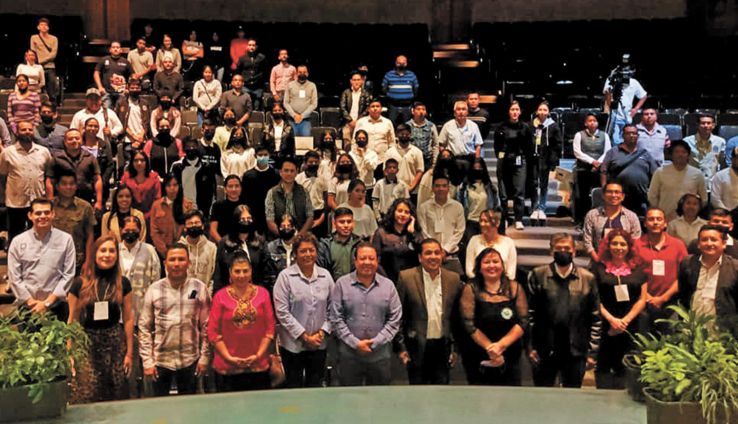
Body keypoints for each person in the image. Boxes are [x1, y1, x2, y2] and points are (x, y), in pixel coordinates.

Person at [526, 233, 602, 388]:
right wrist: (530, 346)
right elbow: (530, 315)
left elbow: (595, 318)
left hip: (576, 349)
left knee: (572, 394)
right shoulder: (538, 275)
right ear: (551, 251)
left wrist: (592, 352)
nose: (563, 251)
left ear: (574, 251)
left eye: (567, 248)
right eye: (558, 248)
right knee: (542, 394)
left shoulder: (587, 278)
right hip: (544, 348)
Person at [68, 235, 134, 403]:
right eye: (103, 250)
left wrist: (129, 353)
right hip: (87, 343)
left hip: (115, 344)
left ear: (117, 255)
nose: (107, 255)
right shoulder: (79, 284)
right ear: (95, 254)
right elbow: (72, 321)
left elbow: (128, 318)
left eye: (112, 251)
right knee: (88, 393)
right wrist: (70, 353)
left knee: (117, 393)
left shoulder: (123, 283)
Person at [139, 244, 210, 396]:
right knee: (160, 407)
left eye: (181, 259)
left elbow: (207, 326)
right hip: (160, 361)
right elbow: (144, 327)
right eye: (172, 259)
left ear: (189, 263)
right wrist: (147, 361)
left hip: (190, 360)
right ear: (165, 263)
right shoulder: (154, 289)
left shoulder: (199, 288)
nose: (176, 264)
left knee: (189, 407)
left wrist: (204, 357)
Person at [329, 243, 402, 386]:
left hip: (380, 356)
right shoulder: (342, 284)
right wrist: (355, 343)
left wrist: (376, 342)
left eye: (371, 258)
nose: (367, 262)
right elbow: (336, 318)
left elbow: (395, 319)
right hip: (349, 355)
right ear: (355, 261)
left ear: (377, 261)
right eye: (362, 258)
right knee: (349, 396)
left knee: (379, 397)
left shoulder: (388, 286)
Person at [396, 238, 463, 384]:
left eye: (437, 253)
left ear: (442, 255)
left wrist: (455, 349)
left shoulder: (453, 279)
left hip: (443, 347)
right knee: (418, 392)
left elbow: (457, 318)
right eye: (428, 253)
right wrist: (401, 347)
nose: (433, 257)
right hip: (416, 347)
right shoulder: (406, 278)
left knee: (441, 391)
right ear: (420, 257)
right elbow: (399, 316)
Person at [272, 233, 334, 388]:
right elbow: (282, 312)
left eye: (311, 250)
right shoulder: (285, 277)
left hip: (319, 344)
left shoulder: (325, 276)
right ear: (295, 254)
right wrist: (305, 337)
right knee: (294, 388)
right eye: (303, 251)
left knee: (315, 387)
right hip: (292, 346)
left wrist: (321, 333)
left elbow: (334, 308)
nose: (308, 254)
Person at [460, 247, 528, 385]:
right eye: (487, 262)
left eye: (496, 261)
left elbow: (523, 320)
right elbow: (468, 323)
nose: (492, 265)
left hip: (510, 353)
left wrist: (500, 346)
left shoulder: (515, 288)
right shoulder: (470, 288)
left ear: (502, 266)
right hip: (479, 352)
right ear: (479, 268)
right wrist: (491, 349)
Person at [208, 250, 274, 392]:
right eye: (237, 271)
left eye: (245, 271)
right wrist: (229, 358)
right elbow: (213, 332)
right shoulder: (220, 296)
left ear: (251, 272)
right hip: (227, 366)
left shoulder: (263, 294)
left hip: (258, 364)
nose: (241, 275)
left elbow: (270, 330)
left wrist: (258, 356)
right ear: (230, 273)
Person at [592, 229, 647, 389]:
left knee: (626, 367)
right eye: (614, 243)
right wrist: (612, 320)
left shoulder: (638, 270)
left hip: (631, 325)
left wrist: (624, 321)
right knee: (603, 366)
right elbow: (594, 299)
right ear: (608, 246)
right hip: (605, 325)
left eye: (623, 244)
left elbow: (642, 299)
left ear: (629, 247)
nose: (618, 247)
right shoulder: (598, 269)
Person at [7, 198, 75, 322]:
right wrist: (31, 302)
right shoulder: (18, 242)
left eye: (47, 212)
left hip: (56, 307)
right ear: (30, 215)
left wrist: (47, 303)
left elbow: (68, 274)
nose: (43, 216)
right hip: (27, 308)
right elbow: (14, 277)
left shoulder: (66, 239)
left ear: (53, 214)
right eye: (38, 213)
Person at [633, 208, 688, 332]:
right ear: (645, 223)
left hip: (671, 302)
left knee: (671, 339)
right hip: (642, 303)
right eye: (651, 219)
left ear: (665, 223)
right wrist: (647, 297)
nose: (655, 222)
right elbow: (632, 275)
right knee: (643, 340)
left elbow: (683, 275)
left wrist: (663, 298)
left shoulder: (678, 245)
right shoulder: (636, 245)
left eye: (659, 219)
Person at [678, 225, 738, 334]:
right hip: (692, 331)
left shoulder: (735, 268)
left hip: (723, 333)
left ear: (723, 243)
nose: (709, 243)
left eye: (714, 240)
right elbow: (683, 295)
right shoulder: (688, 263)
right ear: (698, 244)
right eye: (704, 240)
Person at [0, 120, 53, 241]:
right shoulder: (7, 153)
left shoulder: (44, 152)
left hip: (38, 200)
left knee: (38, 234)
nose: (27, 132)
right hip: (15, 202)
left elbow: (48, 176)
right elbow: (3, 176)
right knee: (15, 235)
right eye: (23, 129)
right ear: (17, 132)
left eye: (30, 129)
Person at [600, 124, 658, 216]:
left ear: (638, 136)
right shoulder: (613, 152)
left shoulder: (644, 153)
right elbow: (604, 171)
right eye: (628, 133)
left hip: (640, 197)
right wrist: (604, 189)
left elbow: (655, 173)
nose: (631, 135)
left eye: (634, 133)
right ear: (623, 135)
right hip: (618, 197)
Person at [493, 101, 534, 230]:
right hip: (504, 159)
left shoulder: (525, 127)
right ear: (508, 111)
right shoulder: (501, 127)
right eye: (512, 109)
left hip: (519, 160)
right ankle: (504, 219)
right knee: (503, 194)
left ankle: (518, 219)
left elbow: (529, 146)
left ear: (520, 112)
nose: (515, 112)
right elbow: (497, 146)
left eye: (517, 109)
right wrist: (501, 158)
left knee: (519, 192)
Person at [46, 128, 103, 214]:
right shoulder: (56, 158)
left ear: (82, 140)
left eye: (77, 138)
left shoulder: (90, 158)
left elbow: (97, 180)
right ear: (65, 142)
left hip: (85, 200)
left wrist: (99, 201)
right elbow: (49, 181)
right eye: (70, 139)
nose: (74, 141)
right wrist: (50, 202)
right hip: (61, 202)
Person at [418, 174, 466, 275]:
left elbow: (460, 230)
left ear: (448, 188)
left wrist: (445, 250)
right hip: (430, 255)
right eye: (437, 186)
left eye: (444, 186)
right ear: (432, 188)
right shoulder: (424, 207)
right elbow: (423, 230)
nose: (441, 189)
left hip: (451, 254)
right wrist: (436, 250)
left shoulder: (457, 207)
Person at [647, 140, 707, 220]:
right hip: (665, 219)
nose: (680, 155)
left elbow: (704, 199)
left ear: (688, 155)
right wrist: (659, 214)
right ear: (671, 154)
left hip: (688, 221)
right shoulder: (660, 172)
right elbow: (652, 196)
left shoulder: (697, 174)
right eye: (677, 152)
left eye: (683, 152)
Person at [583, 181, 641, 262]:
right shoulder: (592, 215)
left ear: (623, 196)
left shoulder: (631, 217)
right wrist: (597, 260)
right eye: (609, 192)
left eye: (617, 192)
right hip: (598, 261)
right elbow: (587, 241)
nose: (613, 195)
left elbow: (635, 241)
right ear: (603, 195)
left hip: (624, 263)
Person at [212, 205, 265, 294]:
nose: (246, 221)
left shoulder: (260, 242)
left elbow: (265, 273)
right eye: (242, 219)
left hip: (256, 292)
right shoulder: (224, 243)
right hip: (229, 292)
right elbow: (218, 274)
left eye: (249, 218)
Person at [52, 171, 96, 276]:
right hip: (53, 260)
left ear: (76, 186)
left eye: (72, 184)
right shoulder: (49, 206)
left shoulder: (85, 207)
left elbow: (90, 236)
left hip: (77, 261)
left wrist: (88, 262)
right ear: (57, 186)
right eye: (64, 184)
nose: (68, 187)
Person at [572, 113, 612, 225]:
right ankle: (581, 220)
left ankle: (598, 219)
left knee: (598, 194)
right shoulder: (579, 135)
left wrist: (598, 163)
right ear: (586, 123)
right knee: (582, 195)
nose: (592, 123)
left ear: (597, 123)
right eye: (590, 121)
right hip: (583, 169)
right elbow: (577, 152)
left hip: (599, 170)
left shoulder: (604, 135)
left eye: (594, 120)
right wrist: (592, 161)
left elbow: (608, 151)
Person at [372, 199, 423, 282]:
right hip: (387, 279)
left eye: (406, 212)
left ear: (411, 216)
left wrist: (412, 233)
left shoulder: (415, 234)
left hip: (410, 280)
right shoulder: (381, 233)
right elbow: (376, 260)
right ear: (393, 212)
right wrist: (386, 281)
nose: (403, 215)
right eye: (400, 211)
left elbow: (422, 252)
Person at [528, 101, 562, 222]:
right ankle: (534, 207)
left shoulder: (553, 126)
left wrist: (554, 160)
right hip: (533, 158)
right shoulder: (531, 125)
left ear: (548, 112)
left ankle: (542, 207)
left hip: (546, 159)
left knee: (543, 184)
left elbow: (557, 144)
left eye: (545, 110)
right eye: (540, 109)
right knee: (533, 183)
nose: (542, 112)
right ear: (537, 111)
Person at [265, 156, 314, 238]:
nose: (289, 174)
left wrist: (299, 236)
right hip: (279, 237)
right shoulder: (272, 193)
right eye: (286, 170)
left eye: (292, 171)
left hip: (300, 237)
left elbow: (310, 217)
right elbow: (270, 220)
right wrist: (285, 237)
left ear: (297, 172)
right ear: (280, 172)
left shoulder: (304, 192)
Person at [170, 137, 217, 217]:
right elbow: (172, 189)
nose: (191, 149)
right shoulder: (177, 167)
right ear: (184, 149)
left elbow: (212, 191)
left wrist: (208, 211)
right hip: (182, 211)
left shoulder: (206, 167)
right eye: (188, 147)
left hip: (201, 212)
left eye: (194, 146)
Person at [465, 209, 517, 280]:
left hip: (503, 284)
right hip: (478, 283)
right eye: (481, 221)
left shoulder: (509, 243)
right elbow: (469, 270)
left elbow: (511, 273)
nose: (482, 224)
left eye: (486, 221)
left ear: (497, 223)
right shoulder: (474, 240)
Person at [241, 145, 280, 235]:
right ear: (255, 156)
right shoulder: (248, 175)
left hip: (271, 214)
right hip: (254, 214)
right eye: (260, 155)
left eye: (265, 155)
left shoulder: (275, 174)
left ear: (269, 155)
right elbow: (244, 197)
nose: (263, 157)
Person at [115, 79, 151, 174]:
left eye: (137, 87)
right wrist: (134, 137)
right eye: (132, 87)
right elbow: (120, 122)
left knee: (144, 166)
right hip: (128, 140)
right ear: (128, 88)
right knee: (129, 166)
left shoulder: (145, 103)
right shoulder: (121, 103)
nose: (135, 89)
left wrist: (140, 137)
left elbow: (147, 122)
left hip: (142, 139)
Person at [603, 70, 647, 146]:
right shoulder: (612, 80)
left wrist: (636, 109)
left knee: (627, 141)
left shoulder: (634, 82)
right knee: (615, 142)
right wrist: (613, 83)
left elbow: (643, 96)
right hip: (614, 117)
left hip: (627, 118)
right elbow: (607, 98)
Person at [317, 207, 363, 280]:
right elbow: (320, 271)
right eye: (342, 222)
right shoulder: (325, 245)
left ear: (353, 223)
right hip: (332, 285)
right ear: (334, 223)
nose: (346, 225)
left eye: (349, 222)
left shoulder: (359, 244)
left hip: (355, 284)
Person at [458, 158, 498, 240]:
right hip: (470, 222)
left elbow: (496, 205)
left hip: (486, 222)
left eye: (480, 168)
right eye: (475, 168)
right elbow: (459, 205)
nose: (477, 170)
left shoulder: (490, 187)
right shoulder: (464, 188)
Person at [178, 209, 217, 292]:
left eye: (197, 223)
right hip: (182, 294)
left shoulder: (212, 248)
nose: (194, 226)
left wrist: (208, 294)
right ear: (185, 228)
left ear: (202, 226)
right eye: (190, 223)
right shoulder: (178, 248)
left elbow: (214, 276)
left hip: (204, 295)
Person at [438, 100, 483, 167]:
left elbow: (478, 145)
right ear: (454, 113)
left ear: (467, 112)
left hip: (469, 159)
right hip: (453, 159)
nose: (461, 112)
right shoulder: (447, 125)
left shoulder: (474, 126)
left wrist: (477, 161)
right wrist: (444, 151)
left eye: (463, 109)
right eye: (458, 109)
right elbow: (441, 144)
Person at [384, 123, 424, 197]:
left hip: (413, 191)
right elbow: (386, 171)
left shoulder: (417, 152)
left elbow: (420, 171)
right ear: (397, 135)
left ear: (410, 135)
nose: (404, 136)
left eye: (407, 134)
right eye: (402, 134)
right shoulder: (389, 152)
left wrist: (411, 187)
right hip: (393, 190)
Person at [295, 150, 329, 238]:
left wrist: (321, 218)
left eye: (316, 162)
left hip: (319, 214)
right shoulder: (298, 179)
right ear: (305, 163)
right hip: (303, 215)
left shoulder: (323, 179)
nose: (313, 164)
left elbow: (326, 199)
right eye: (310, 162)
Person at [80, 117, 115, 201]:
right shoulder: (79, 145)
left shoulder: (104, 144)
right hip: (81, 188)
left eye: (96, 126)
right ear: (85, 127)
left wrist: (102, 182)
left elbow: (110, 165)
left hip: (100, 187)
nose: (93, 128)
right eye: (90, 126)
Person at [149, 175, 184, 258]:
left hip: (181, 250)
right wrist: (164, 251)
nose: (172, 188)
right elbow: (154, 232)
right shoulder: (156, 205)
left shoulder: (187, 205)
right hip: (162, 252)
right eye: (168, 185)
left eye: (175, 185)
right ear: (164, 187)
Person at [121, 150, 162, 219]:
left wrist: (146, 216)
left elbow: (157, 200)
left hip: (150, 216)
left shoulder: (154, 178)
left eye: (142, 160)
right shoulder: (126, 177)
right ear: (132, 162)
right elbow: (122, 198)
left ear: (146, 162)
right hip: (129, 216)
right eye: (136, 160)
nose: (139, 163)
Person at [685, 113, 726, 181]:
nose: (706, 126)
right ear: (697, 125)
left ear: (713, 125)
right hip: (692, 181)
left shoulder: (720, 142)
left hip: (712, 181)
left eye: (709, 123)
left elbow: (721, 161)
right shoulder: (687, 142)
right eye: (703, 123)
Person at [263, 214, 298, 291]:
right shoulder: (271, 248)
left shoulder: (300, 247)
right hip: (278, 290)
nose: (286, 228)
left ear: (294, 228)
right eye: (283, 226)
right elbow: (268, 276)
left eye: (289, 226)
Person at [94, 41, 131, 109]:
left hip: (121, 93)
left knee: (121, 113)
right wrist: (100, 87)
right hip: (106, 92)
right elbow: (96, 73)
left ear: (121, 50)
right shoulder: (104, 60)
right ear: (110, 49)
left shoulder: (125, 62)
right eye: (113, 47)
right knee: (106, 112)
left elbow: (132, 76)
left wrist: (128, 88)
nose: (115, 49)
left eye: (117, 47)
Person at [382, 55, 418, 124]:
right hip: (393, 105)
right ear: (395, 63)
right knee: (391, 125)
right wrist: (392, 96)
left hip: (407, 106)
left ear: (406, 63)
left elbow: (416, 89)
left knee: (408, 126)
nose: (401, 64)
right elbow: (384, 89)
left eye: (403, 63)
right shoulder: (389, 75)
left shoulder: (412, 75)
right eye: (399, 63)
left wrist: (409, 97)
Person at [283, 65, 318, 137]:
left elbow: (314, 104)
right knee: (291, 140)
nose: (302, 74)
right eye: (300, 72)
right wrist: (294, 115)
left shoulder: (312, 86)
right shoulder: (290, 85)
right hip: (291, 119)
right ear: (296, 74)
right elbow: (285, 103)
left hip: (305, 120)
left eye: (304, 72)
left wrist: (302, 116)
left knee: (306, 139)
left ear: (307, 74)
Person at [30, 17, 59, 103]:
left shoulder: (54, 39)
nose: (43, 27)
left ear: (48, 27)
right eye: (41, 25)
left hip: (50, 66)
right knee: (39, 88)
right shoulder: (34, 37)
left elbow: (53, 54)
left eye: (45, 25)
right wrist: (36, 62)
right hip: (37, 67)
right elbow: (33, 51)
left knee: (52, 87)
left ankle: (52, 104)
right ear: (38, 27)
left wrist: (41, 61)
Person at [235, 38, 267, 110]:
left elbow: (265, 71)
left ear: (256, 47)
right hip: (245, 86)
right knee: (245, 107)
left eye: (253, 45)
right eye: (249, 45)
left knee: (256, 108)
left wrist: (261, 80)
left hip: (258, 86)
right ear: (247, 46)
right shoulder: (242, 58)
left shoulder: (262, 58)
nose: (251, 47)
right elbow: (238, 72)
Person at [340, 72, 372, 142]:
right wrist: (350, 120)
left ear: (361, 81)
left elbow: (367, 108)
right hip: (348, 122)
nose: (356, 82)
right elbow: (342, 108)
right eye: (354, 80)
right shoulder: (346, 92)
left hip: (361, 123)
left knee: (361, 141)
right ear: (351, 81)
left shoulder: (366, 93)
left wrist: (358, 121)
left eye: (358, 80)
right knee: (347, 140)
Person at [209, 175, 242, 242]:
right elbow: (213, 230)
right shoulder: (217, 206)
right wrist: (223, 245)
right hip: (222, 242)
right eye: (230, 186)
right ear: (225, 189)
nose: (234, 189)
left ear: (241, 188)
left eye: (237, 186)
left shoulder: (246, 205)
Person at [406, 101, 439, 169]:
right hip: (411, 159)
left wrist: (434, 162)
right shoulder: (407, 126)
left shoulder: (431, 126)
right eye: (418, 109)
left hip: (427, 160)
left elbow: (435, 145)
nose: (421, 111)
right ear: (413, 111)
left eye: (423, 109)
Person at [349, 129, 380, 196]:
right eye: (359, 138)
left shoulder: (372, 154)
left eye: (363, 138)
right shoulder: (351, 154)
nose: (361, 140)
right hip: (355, 186)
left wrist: (363, 155)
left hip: (369, 186)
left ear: (367, 140)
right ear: (356, 139)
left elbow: (371, 167)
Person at [710, 145, 738, 211]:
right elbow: (715, 199)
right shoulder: (720, 176)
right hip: (726, 214)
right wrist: (728, 212)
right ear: (732, 159)